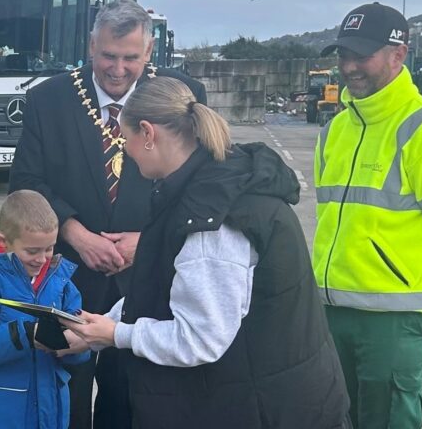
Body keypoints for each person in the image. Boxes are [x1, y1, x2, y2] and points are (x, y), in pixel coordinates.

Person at [60, 76, 351, 428]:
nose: (126, 152)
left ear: (148, 133)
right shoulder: (211, 181)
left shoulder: (211, 218)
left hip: (266, 409)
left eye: (125, 139)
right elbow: (167, 287)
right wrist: (105, 323)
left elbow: (200, 338)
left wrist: (116, 334)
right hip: (267, 397)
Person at [8, 0, 206, 428]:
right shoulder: (48, 99)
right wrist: (76, 234)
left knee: (134, 398)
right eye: (108, 56)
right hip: (69, 276)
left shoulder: (180, 97)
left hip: (148, 276)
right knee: (66, 396)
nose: (118, 69)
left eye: (130, 58)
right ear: (91, 45)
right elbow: (26, 183)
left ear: (149, 51)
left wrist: (148, 241)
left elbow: (201, 186)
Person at [314, 3, 422, 429]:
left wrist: (420, 294)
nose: (349, 67)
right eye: (343, 55)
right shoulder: (335, 130)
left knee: (387, 418)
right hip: (332, 309)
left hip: (393, 319)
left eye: (362, 55)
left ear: (398, 54)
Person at [0, 190, 90, 429]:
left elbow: (80, 344)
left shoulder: (62, 284)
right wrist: (24, 334)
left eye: (49, 248)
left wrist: (78, 344)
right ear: (3, 241)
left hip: (48, 411)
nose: (42, 259)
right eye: (32, 251)